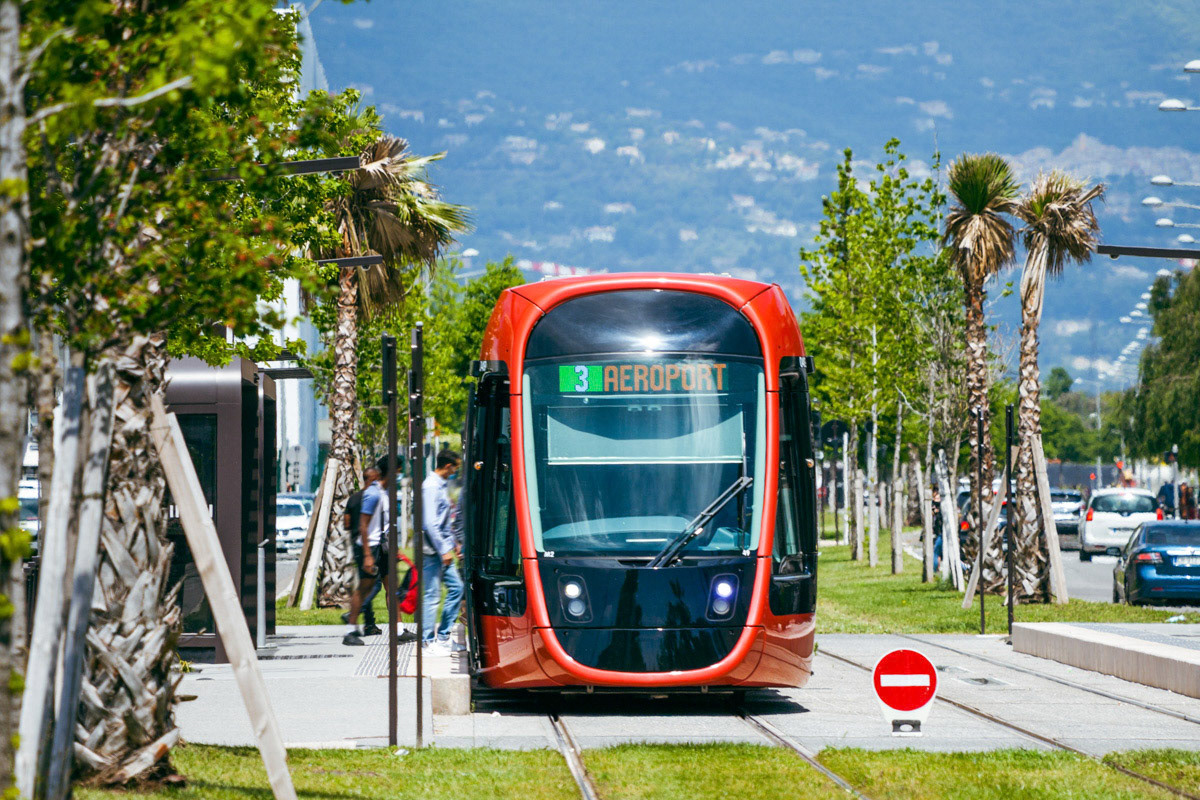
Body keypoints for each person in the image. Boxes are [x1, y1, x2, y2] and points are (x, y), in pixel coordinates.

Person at [344, 456, 400, 647]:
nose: (399, 475)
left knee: (391, 586)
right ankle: (350, 631)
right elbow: (363, 525)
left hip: (382, 547)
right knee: (364, 587)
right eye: (398, 471)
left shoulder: (384, 493)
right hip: (370, 547)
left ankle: (399, 630)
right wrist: (368, 555)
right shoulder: (374, 494)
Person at [421, 449, 465, 653]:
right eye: (454, 468)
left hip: (442, 548)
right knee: (432, 595)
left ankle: (444, 636)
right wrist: (443, 550)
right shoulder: (430, 487)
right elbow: (430, 523)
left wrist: (453, 543)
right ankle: (428, 641)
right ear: (448, 466)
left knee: (456, 588)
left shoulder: (440, 485)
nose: (454, 472)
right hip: (433, 551)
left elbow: (443, 521)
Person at [342, 466, 382, 637]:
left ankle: (369, 623)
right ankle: (355, 614)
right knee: (374, 584)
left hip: (356, 544)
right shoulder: (375, 497)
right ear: (372, 479)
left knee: (366, 583)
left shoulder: (354, 499)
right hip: (368, 546)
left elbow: (346, 523)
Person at [931, 488, 944, 572]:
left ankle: (935, 570)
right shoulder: (935, 510)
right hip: (938, 534)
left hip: (942, 534)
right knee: (938, 553)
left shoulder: (942, 510)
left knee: (936, 553)